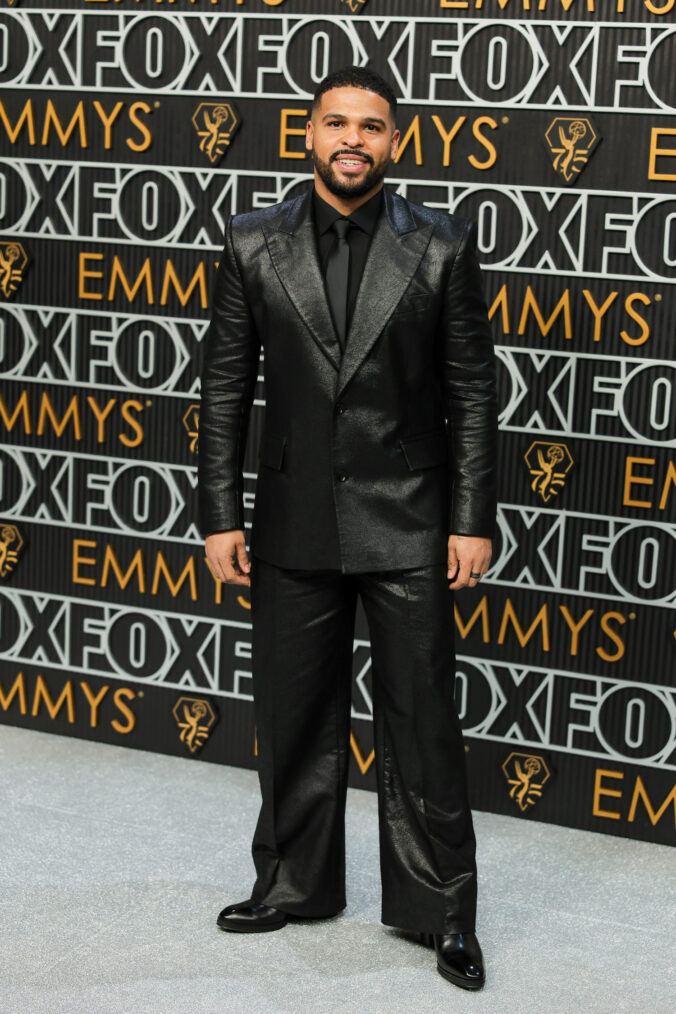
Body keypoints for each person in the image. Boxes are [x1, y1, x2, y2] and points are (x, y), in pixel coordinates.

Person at [197, 66, 497, 992]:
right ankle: (290, 882)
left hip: (409, 520)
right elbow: (222, 387)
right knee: (292, 718)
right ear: (309, 132)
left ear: (396, 141)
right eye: (337, 123)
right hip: (290, 520)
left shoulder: (439, 245)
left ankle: (442, 912)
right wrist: (217, 516)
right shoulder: (252, 241)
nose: (353, 139)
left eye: (372, 125)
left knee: (423, 727)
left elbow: (473, 392)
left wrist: (472, 520)